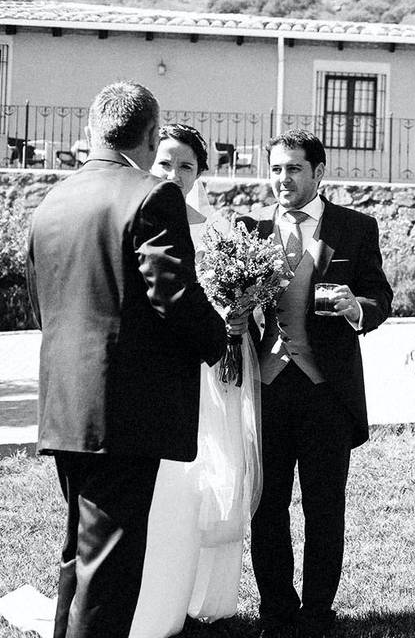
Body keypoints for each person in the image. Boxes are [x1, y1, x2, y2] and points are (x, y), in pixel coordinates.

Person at [26, 82, 226, 638]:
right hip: (125, 410)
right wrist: (218, 341)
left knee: (81, 552)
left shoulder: (53, 200)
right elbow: (172, 293)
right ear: (149, 133)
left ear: (95, 130)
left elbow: (40, 296)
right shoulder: (152, 195)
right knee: (110, 566)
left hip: (66, 404)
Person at [240, 129, 392, 638]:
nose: (283, 178)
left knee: (325, 507)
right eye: (277, 168)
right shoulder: (250, 231)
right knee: (268, 507)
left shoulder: (354, 228)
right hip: (267, 387)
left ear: (318, 172)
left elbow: (380, 297)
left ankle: (317, 613)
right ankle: (276, 610)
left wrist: (358, 309)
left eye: (294, 169)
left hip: (327, 390)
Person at [129, 124, 261, 637]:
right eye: (165, 163)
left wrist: (240, 315)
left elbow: (247, 302)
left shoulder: (220, 231)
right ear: (150, 162)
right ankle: (159, 587)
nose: (174, 174)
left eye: (186, 166)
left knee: (215, 477)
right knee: (172, 482)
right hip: (164, 371)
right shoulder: (142, 219)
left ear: (200, 174)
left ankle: (209, 593)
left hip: (214, 373)